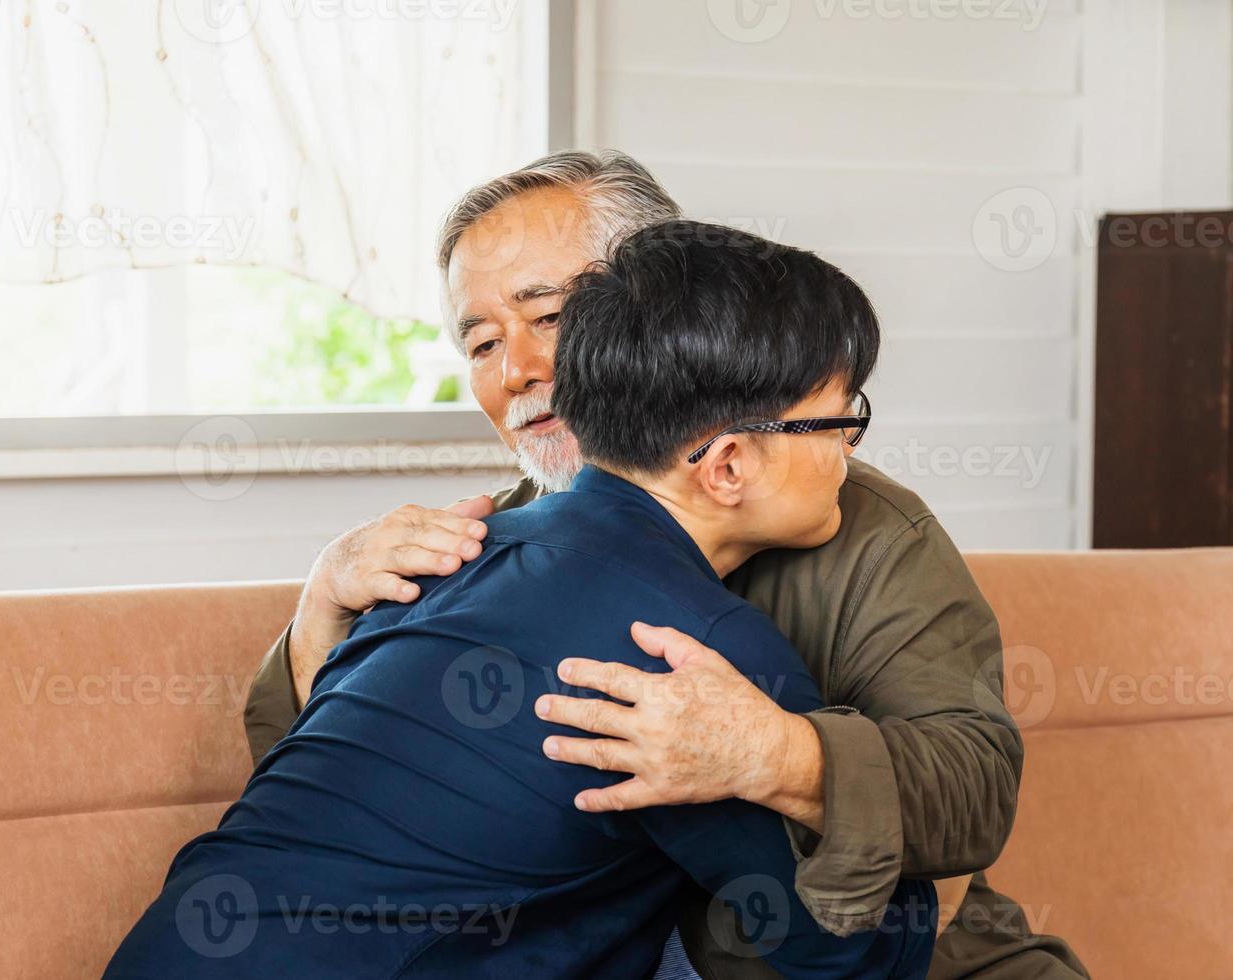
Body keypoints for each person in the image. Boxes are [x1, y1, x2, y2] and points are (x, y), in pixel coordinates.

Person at [244, 151, 1089, 979]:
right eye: (482, 343)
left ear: (663, 308)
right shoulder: (476, 547)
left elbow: (975, 783)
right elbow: (331, 823)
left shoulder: (856, 524)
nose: (518, 372)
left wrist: (780, 754)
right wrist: (324, 601)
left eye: (550, 318)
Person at [106, 221, 939, 979]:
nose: (849, 449)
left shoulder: (445, 558)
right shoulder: (691, 651)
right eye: (839, 419)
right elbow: (833, 954)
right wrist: (921, 871)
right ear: (726, 466)